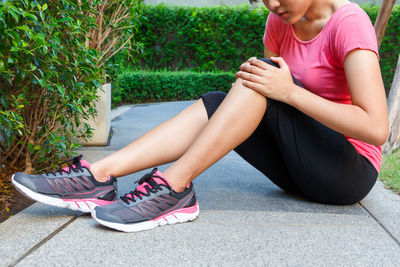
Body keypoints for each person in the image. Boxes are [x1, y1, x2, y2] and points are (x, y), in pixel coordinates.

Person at [12, 0, 388, 232]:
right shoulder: (281, 21)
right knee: (220, 97)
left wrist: (289, 91)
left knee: (262, 79)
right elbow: (262, 100)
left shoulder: (348, 23)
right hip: (299, 170)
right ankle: (97, 176)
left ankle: (173, 188)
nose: (272, 5)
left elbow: (375, 128)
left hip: (347, 174)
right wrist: (276, 90)